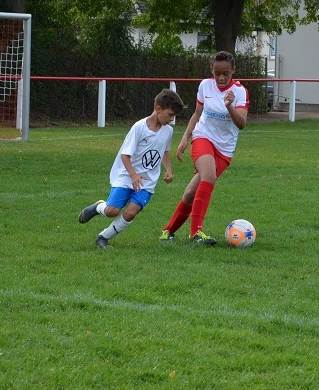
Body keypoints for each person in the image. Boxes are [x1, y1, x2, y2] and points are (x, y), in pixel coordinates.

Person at [160, 51, 249, 244]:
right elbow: (197, 113)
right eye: (217, 73)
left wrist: (229, 106)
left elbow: (241, 124)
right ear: (212, 70)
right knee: (208, 175)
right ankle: (196, 233)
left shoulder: (240, 92)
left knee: (190, 193)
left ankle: (168, 231)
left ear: (233, 70)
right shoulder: (205, 85)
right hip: (203, 137)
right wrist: (185, 137)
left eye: (226, 73)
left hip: (224, 149)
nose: (221, 78)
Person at [77, 89, 184, 249]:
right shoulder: (139, 128)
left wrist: (169, 170)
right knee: (112, 211)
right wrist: (133, 175)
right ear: (158, 109)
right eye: (170, 115)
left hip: (147, 182)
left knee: (130, 212)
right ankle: (99, 207)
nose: (171, 119)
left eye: (174, 116)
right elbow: (125, 155)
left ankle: (103, 238)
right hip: (127, 176)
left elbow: (164, 151)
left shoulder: (168, 131)